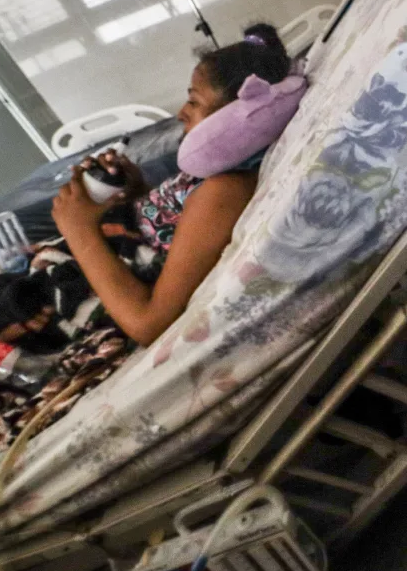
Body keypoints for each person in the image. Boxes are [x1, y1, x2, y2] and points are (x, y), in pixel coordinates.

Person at [52, 24, 290, 347]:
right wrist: (136, 191)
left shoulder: (224, 191)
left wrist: (78, 230)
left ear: (236, 116)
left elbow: (149, 323)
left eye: (193, 101)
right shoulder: (212, 175)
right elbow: (172, 231)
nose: (180, 113)